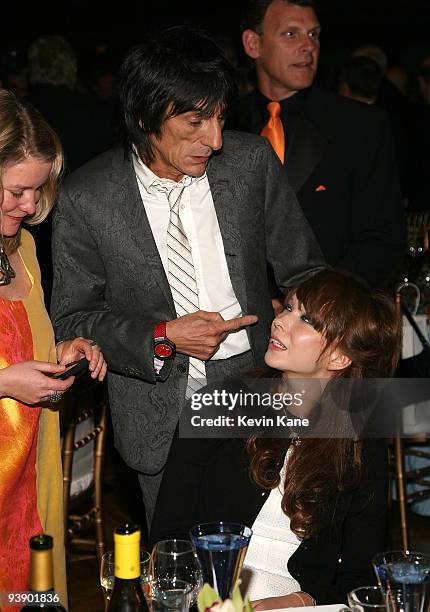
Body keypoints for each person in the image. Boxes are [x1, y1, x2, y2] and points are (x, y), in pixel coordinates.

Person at [50, 25, 325, 529]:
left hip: (255, 391)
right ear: (143, 117)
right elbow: (72, 319)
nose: (214, 140)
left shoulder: (248, 164)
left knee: (255, 559)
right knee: (178, 573)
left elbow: (305, 269)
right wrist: (163, 337)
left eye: (220, 118)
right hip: (159, 411)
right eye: (195, 122)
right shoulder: (87, 198)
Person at [150, 269, 400, 607]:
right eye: (287, 308)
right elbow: (169, 536)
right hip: (209, 600)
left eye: (306, 320)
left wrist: (290, 603)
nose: (281, 322)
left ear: (340, 357)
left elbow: (360, 578)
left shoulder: (358, 444)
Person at [0, 89, 107, 607]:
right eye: (17, 190)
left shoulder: (21, 250)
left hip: (26, 478)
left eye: (38, 190)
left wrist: (64, 349)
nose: (30, 205)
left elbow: (22, 338)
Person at [229, 0, 405, 289]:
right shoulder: (222, 126)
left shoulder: (360, 126)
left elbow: (382, 239)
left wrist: (314, 304)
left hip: (331, 318)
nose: (308, 46)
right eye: (291, 34)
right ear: (253, 44)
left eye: (314, 34)